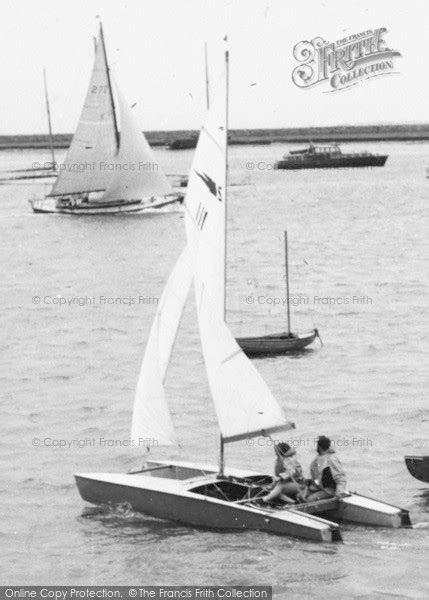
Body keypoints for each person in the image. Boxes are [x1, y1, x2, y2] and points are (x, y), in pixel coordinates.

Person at [306, 436, 347, 501]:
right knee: (300, 496)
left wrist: (339, 492)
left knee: (309, 499)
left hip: (330, 490)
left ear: (319, 447)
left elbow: (340, 477)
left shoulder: (331, 460)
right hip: (320, 488)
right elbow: (315, 478)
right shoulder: (315, 461)